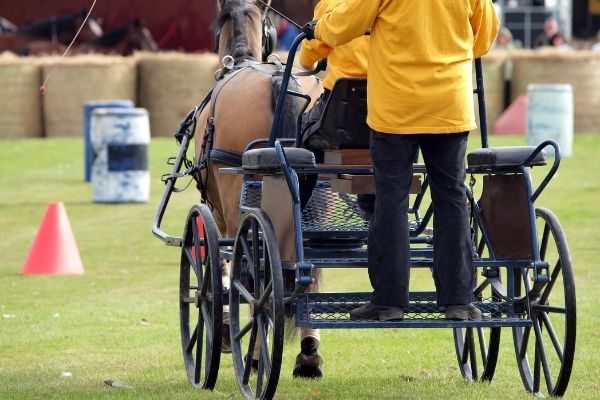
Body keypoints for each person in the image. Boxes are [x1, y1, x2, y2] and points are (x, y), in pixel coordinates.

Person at [302, 0, 499, 321]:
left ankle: (389, 302)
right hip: (449, 104)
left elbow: (345, 24)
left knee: (391, 199)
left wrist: (317, 29)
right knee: (451, 198)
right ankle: (458, 301)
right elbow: (484, 37)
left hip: (396, 106)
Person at [298, 0, 374, 219]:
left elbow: (306, 62)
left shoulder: (331, 4)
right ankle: (371, 208)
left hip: (339, 121)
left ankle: (299, 211)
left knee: (303, 135)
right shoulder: (394, 7)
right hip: (387, 118)